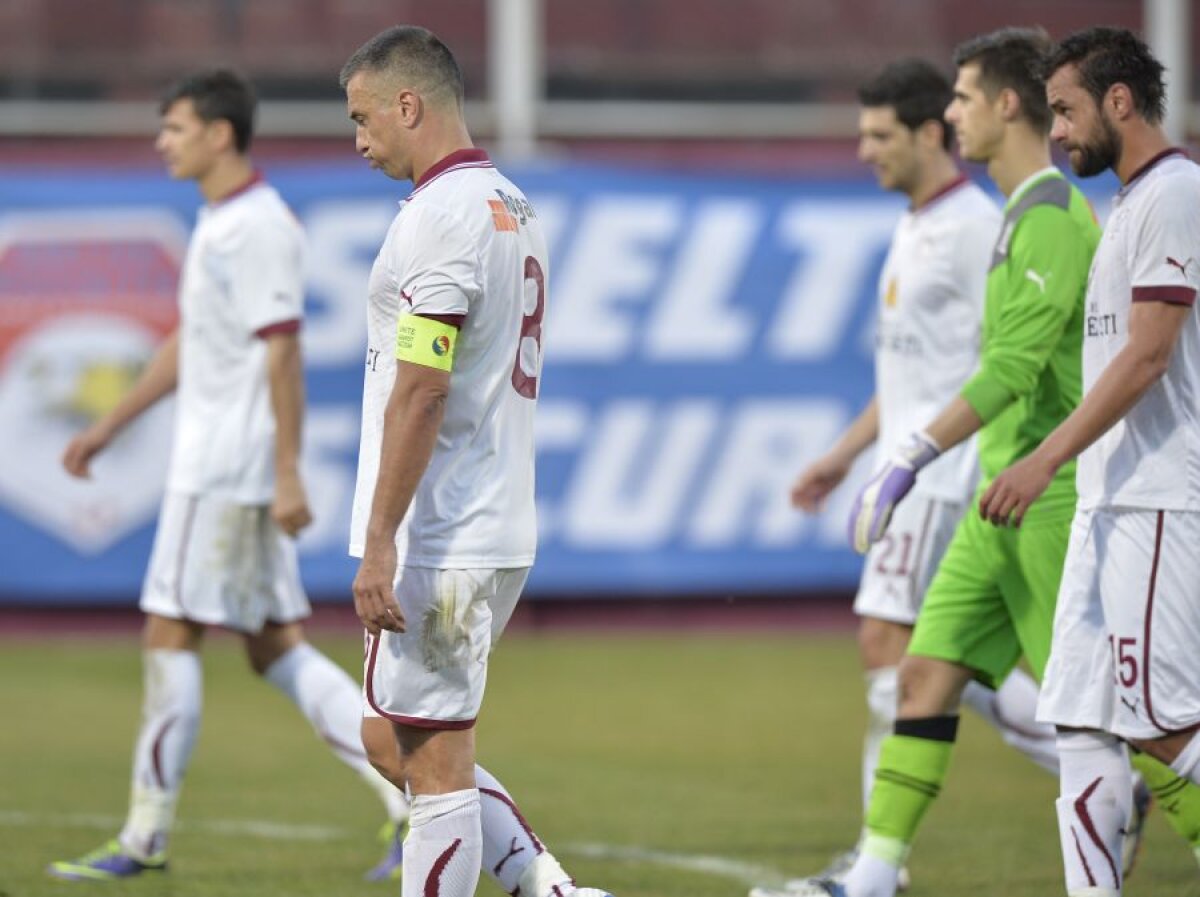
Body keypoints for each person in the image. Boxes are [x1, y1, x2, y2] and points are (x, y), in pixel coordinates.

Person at [47, 69, 409, 883]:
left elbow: (284, 350)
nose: (162, 142)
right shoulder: (221, 221)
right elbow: (194, 340)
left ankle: (144, 834)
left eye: (175, 128)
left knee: (168, 633)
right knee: (274, 646)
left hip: (224, 469)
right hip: (228, 465)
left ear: (219, 134)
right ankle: (406, 796)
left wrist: (287, 472)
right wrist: (108, 426)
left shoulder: (258, 226)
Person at [767, 28, 1102, 897]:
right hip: (958, 476)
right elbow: (914, 372)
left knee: (1088, 703)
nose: (865, 150)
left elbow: (1007, 366)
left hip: (980, 478)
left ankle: (885, 861)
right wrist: (848, 455)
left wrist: (914, 457)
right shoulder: (932, 225)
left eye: (882, 133)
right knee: (927, 667)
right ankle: (877, 869)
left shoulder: (995, 223)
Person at [339, 25, 609, 897]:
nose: (358, 139)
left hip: (442, 529)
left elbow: (423, 389)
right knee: (393, 738)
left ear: (408, 104)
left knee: (435, 765)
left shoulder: (442, 216)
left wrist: (381, 537)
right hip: (488, 517)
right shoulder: (508, 202)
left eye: (363, 118)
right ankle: (554, 890)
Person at [981, 26, 1200, 895]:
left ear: (1120, 100)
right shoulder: (1127, 204)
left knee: (1160, 722)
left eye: (1067, 111)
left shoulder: (1177, 193)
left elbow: (1147, 357)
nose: (1059, 131)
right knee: (1078, 721)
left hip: (1159, 498)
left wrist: (1044, 459)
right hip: (1106, 503)